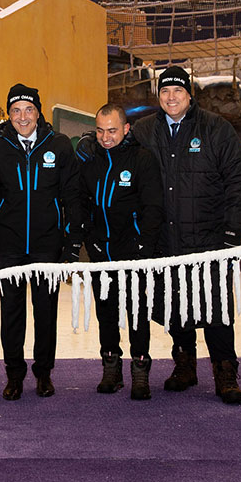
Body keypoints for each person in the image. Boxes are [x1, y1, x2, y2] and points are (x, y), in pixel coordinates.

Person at [131, 66, 241, 405]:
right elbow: (116, 155)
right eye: (165, 91)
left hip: (209, 240)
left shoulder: (216, 129)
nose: (171, 97)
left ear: (189, 95)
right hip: (165, 240)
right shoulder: (144, 130)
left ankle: (225, 372)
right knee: (175, 305)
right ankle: (184, 365)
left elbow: (238, 181)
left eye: (178, 91)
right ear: (158, 96)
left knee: (216, 309)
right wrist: (89, 147)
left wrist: (233, 230)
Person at [0, 84, 81, 400]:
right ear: (9, 114)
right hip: (11, 245)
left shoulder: (58, 145)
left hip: (47, 244)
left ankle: (44, 373)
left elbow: (72, 196)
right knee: (12, 313)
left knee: (46, 311)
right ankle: (14, 374)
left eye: (29, 109)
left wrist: (72, 240)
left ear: (38, 112)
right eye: (16, 110)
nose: (23, 117)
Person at [75, 104, 163, 400]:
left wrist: (144, 244)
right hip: (101, 252)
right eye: (100, 130)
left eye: (112, 130)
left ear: (126, 129)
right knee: (106, 312)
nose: (105, 137)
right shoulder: (90, 160)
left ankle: (140, 370)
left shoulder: (142, 159)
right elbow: (81, 203)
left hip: (133, 251)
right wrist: (90, 238)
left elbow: (153, 207)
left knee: (137, 313)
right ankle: (111, 367)